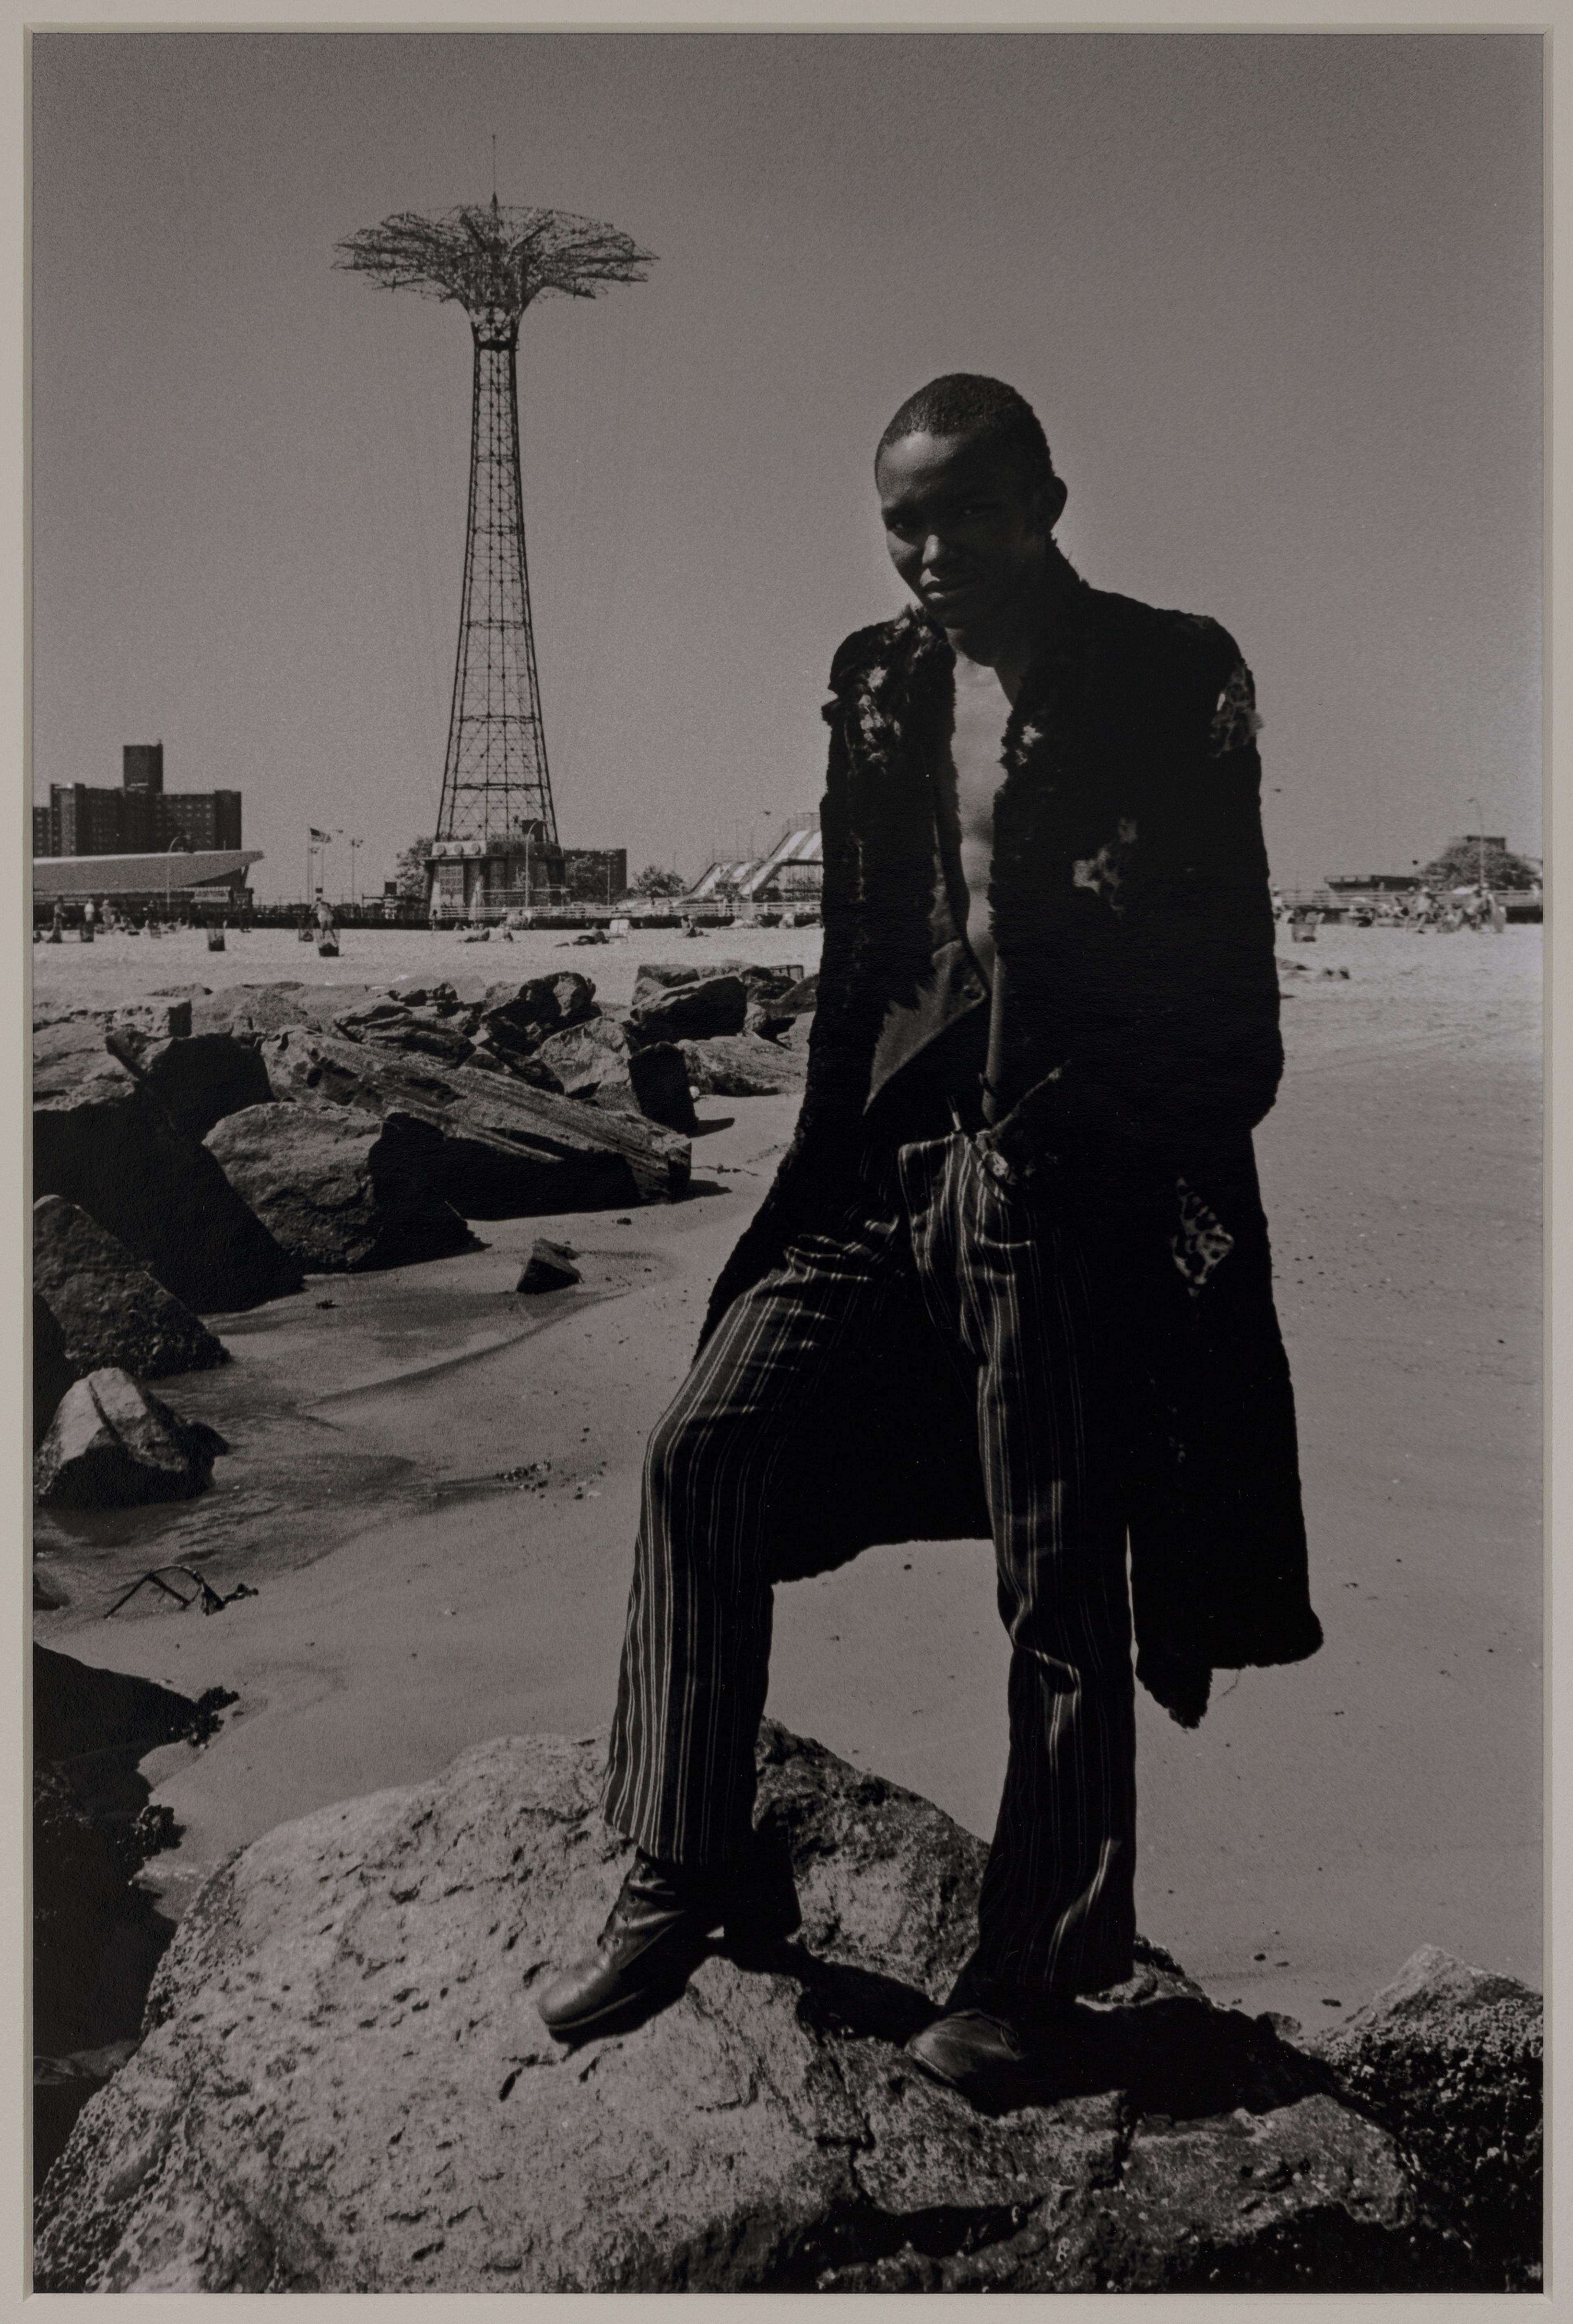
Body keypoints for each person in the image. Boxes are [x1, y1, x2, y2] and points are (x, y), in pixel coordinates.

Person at [536, 374, 1320, 2107]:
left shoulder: (1169, 672)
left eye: (963, 510)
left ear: (1048, 498)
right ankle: (684, 1857)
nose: (929, 552)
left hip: (1063, 1185)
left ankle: (1033, 1977)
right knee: (703, 1451)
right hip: (881, 1168)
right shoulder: (877, 683)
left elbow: (1231, 1003)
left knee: (1059, 1584)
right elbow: (861, 959)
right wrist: (829, 1163)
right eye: (900, 519)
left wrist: (1085, 1149)